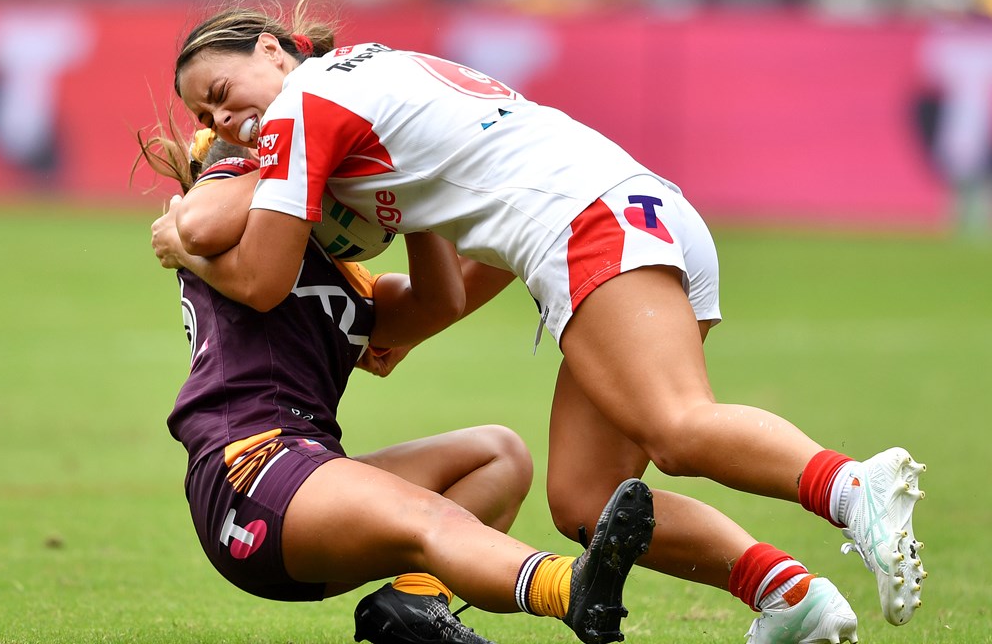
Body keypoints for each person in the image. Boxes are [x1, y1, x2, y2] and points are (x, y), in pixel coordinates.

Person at [156, 0, 929, 643]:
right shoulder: (370, 71)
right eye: (205, 116)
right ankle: (787, 596)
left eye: (222, 93)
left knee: (678, 427)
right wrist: (405, 226)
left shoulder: (302, 104)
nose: (222, 121)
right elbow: (430, 290)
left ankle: (854, 488)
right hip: (631, 209)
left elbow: (256, 273)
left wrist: (181, 243)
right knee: (586, 500)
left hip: (586, 223)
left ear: (270, 49)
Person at [136, 127, 656, 644]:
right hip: (249, 477)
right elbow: (199, 218)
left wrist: (410, 201)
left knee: (498, 455)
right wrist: (311, 154)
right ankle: (569, 588)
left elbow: (439, 304)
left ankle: (413, 603)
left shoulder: (340, 276)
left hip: (304, 483)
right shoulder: (227, 218)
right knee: (425, 517)